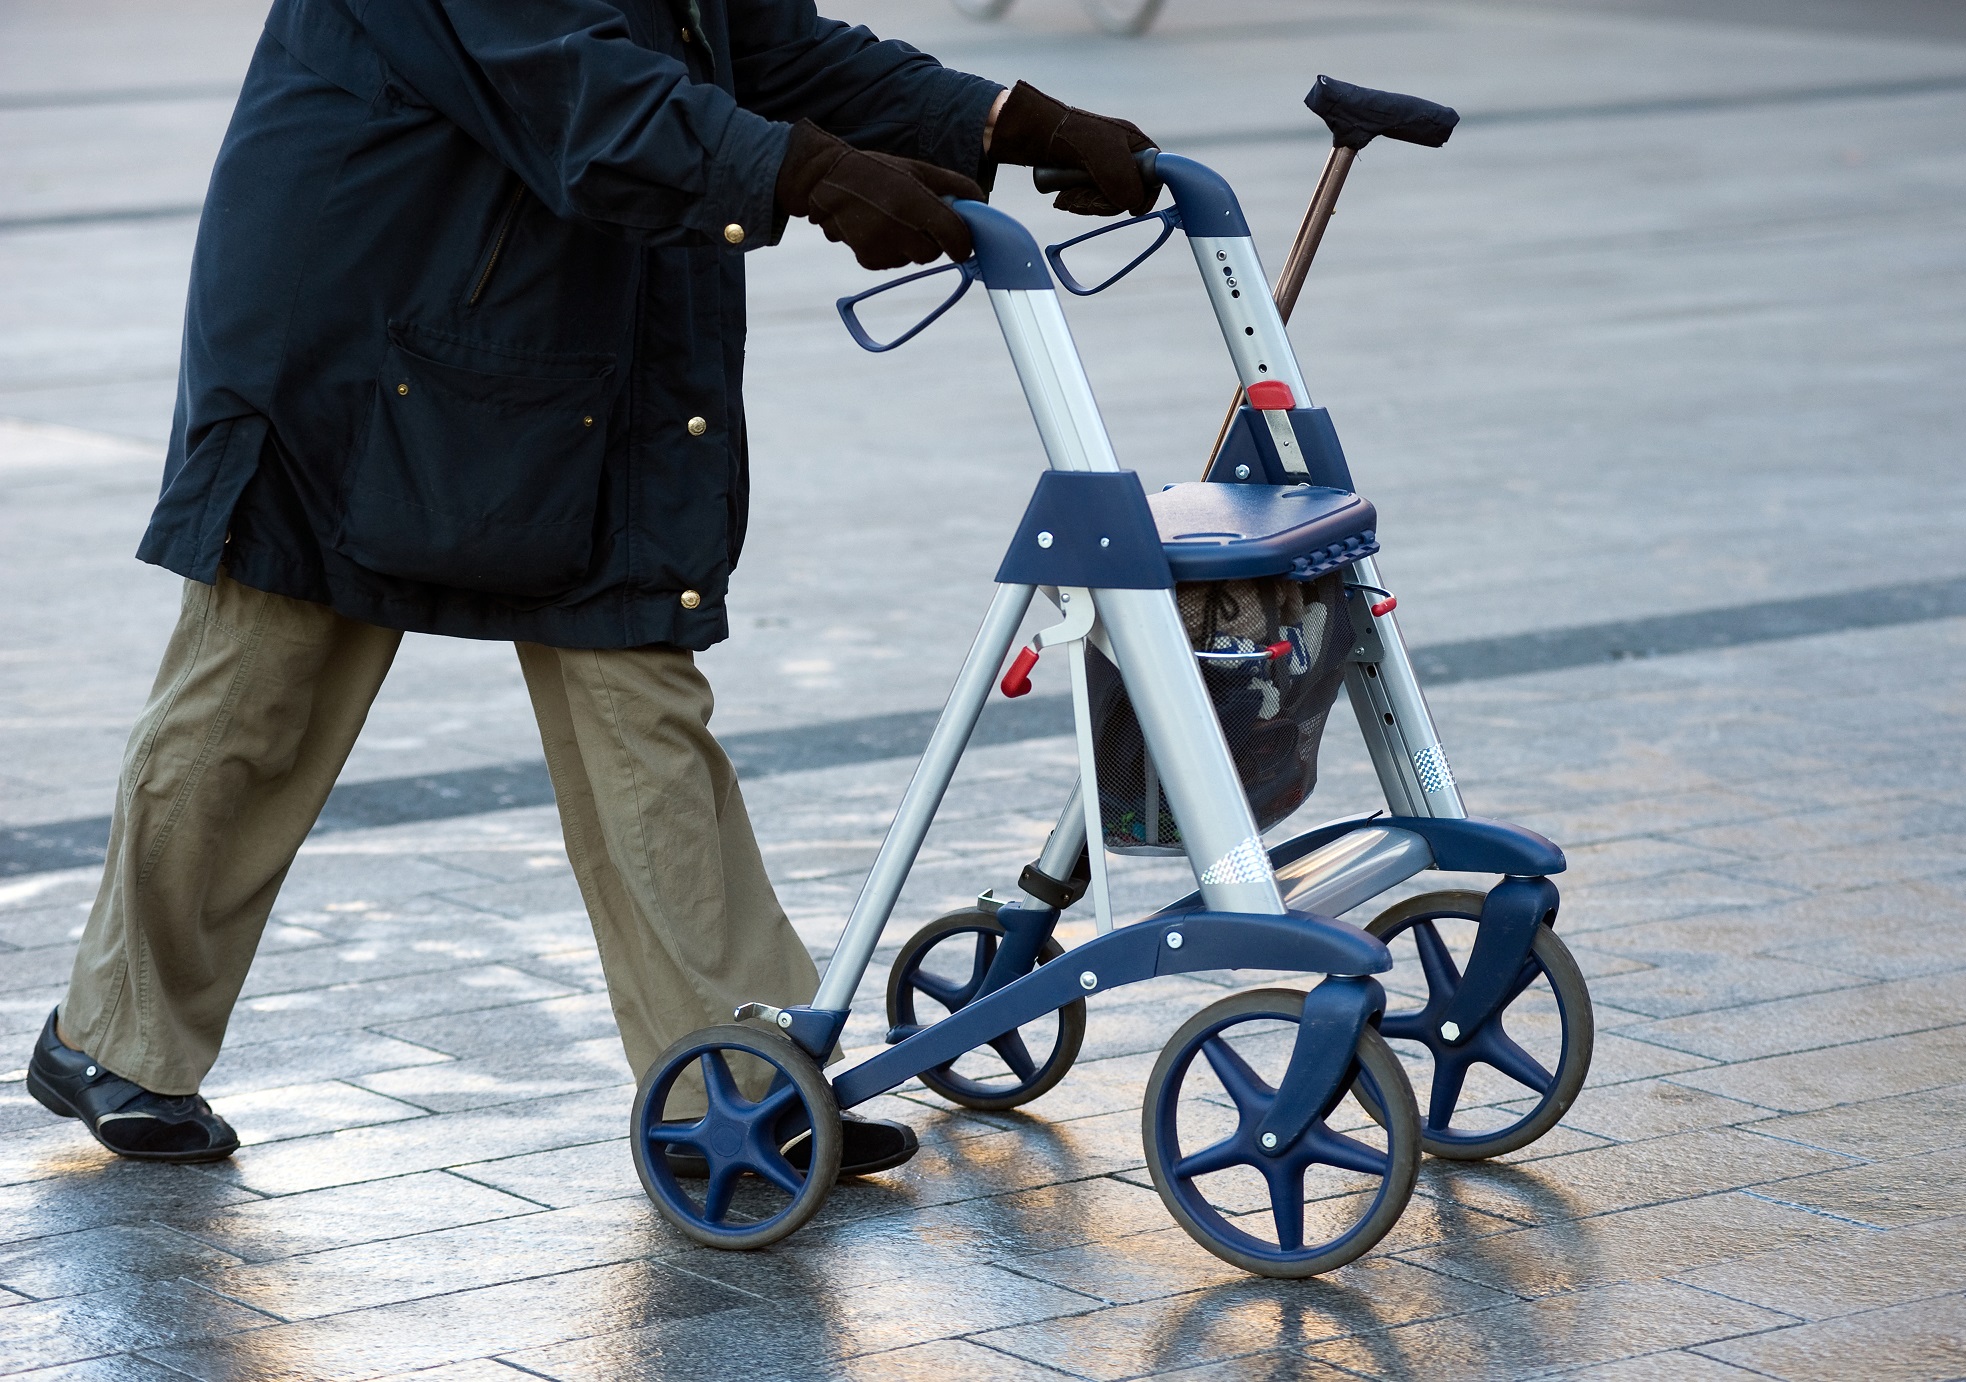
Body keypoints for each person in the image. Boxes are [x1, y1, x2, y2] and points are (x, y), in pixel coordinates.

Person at [23, 0, 1156, 1176]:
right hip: (346, 339)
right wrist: (812, 172)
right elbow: (583, 89)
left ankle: (732, 1076)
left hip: (562, 328)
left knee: (636, 684)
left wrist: (1014, 120)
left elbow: (762, 42)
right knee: (259, 692)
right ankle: (116, 1036)